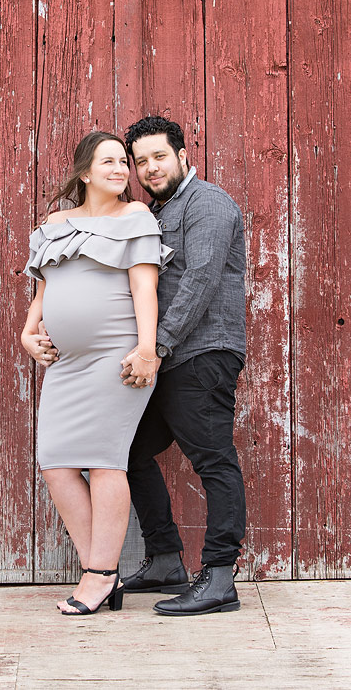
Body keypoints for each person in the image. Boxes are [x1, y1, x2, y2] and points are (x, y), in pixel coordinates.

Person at [20, 131, 173, 616]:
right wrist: (28, 333)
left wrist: (147, 349)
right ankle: (100, 570)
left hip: (115, 357)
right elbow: (44, 294)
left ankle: (100, 575)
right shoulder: (55, 224)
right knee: (56, 462)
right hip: (67, 364)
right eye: (107, 162)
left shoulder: (135, 217)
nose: (120, 170)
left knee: (106, 460)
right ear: (85, 172)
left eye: (122, 163)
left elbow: (145, 289)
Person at [117, 114, 249, 616]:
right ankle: (167, 558)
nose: (150, 168)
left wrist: (157, 346)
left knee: (213, 460)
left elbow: (200, 282)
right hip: (167, 361)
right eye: (141, 160)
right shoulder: (155, 212)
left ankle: (219, 577)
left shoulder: (208, 204)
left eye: (159, 156)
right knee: (127, 449)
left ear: (183, 156)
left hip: (201, 355)